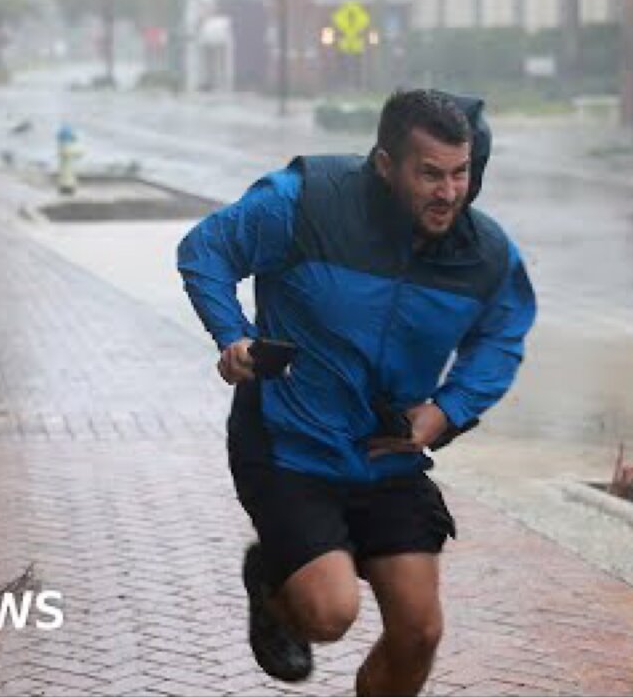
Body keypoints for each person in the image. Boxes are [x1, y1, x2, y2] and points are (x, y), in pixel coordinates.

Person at [177, 89, 536, 696]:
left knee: (419, 632)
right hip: (290, 443)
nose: (448, 192)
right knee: (329, 614)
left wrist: (448, 410)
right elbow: (205, 250)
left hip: (386, 452)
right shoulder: (305, 202)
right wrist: (232, 337)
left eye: (460, 173)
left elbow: (502, 334)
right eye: (429, 174)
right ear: (384, 164)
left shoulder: (485, 254)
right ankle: (273, 582)